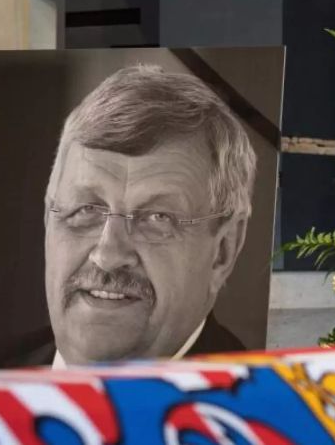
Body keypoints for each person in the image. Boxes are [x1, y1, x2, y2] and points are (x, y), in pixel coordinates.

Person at [43, 64, 254, 366]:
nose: (108, 255)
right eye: (86, 209)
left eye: (157, 218)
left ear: (223, 251)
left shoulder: (254, 403)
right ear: (49, 223)